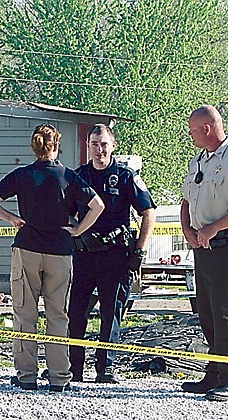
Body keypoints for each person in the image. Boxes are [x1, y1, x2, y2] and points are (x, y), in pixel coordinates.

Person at [0, 124, 105, 392]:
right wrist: (77, 230)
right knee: (58, 315)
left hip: (26, 249)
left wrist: (11, 217)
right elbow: (98, 205)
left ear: (35, 147)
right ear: (57, 146)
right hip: (60, 252)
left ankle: (26, 376)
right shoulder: (68, 177)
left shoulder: (22, 175)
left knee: (25, 313)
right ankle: (59, 376)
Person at [180, 105, 228, 401]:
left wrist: (213, 228)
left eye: (192, 130)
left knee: (225, 311)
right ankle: (213, 373)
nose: (190, 135)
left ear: (207, 129)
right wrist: (188, 229)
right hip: (203, 245)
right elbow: (187, 199)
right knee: (206, 310)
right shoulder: (198, 161)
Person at [68, 124, 157, 384]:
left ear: (113, 146)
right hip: (84, 256)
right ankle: (74, 367)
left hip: (116, 256)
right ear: (88, 147)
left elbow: (148, 212)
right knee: (76, 312)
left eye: (104, 144)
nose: (99, 149)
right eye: (94, 144)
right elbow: (67, 211)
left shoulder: (126, 176)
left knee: (112, 312)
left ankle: (105, 368)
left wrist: (140, 250)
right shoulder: (79, 176)